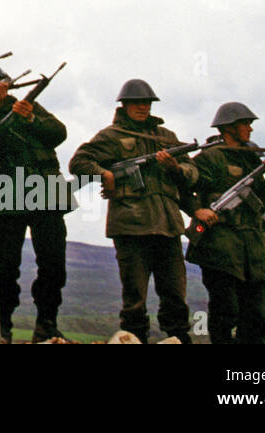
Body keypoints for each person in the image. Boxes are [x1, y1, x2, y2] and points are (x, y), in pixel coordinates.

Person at [69, 80, 197, 343]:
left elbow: (193, 173)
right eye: (136, 103)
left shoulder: (167, 138)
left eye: (146, 103)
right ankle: (134, 338)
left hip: (168, 225)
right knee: (135, 296)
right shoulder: (111, 136)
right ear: (124, 105)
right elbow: (79, 162)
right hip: (130, 225)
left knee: (174, 292)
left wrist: (175, 168)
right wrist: (103, 173)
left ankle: (179, 338)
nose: (142, 107)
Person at [0, 63, 71, 343]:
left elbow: (58, 133)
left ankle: (47, 324)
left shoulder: (29, 106)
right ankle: (3, 326)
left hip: (45, 188)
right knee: (5, 265)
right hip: (7, 188)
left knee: (54, 263)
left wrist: (31, 119)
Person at [186, 101, 265, 345]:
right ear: (229, 127)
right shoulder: (209, 158)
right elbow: (183, 185)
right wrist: (197, 211)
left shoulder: (252, 159)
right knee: (225, 309)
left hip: (252, 248)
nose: (250, 129)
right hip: (220, 245)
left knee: (257, 316)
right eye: (245, 124)